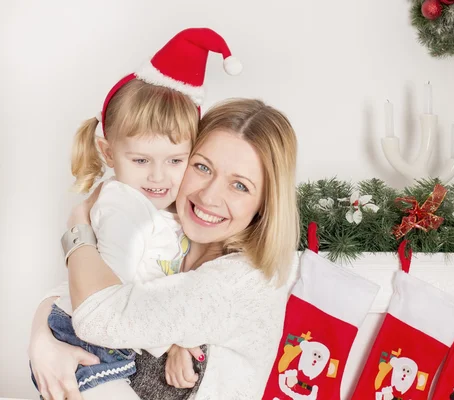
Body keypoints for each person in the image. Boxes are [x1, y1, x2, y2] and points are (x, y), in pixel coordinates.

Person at [29, 97, 300, 400]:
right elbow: (77, 289)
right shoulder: (167, 234)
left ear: (265, 203)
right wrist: (41, 337)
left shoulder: (242, 281)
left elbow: (98, 316)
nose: (209, 196)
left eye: (240, 186)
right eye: (202, 167)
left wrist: (77, 224)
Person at [28, 27, 247, 400]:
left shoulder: (165, 212)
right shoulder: (124, 207)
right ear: (109, 152)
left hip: (108, 339)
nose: (159, 176)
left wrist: (180, 342)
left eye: (176, 161)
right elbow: (113, 303)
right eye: (141, 160)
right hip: (91, 343)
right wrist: (173, 342)